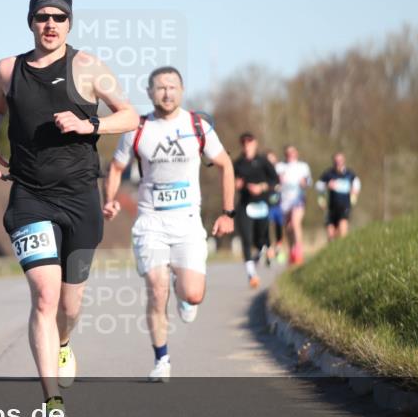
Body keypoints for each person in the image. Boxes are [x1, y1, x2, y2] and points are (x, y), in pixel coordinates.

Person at [0, 0, 138, 417]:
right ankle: (52, 403)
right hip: (30, 195)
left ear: (70, 23)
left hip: (80, 195)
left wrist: (91, 124)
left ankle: (64, 342)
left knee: (70, 302)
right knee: (45, 297)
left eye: (59, 18)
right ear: (30, 21)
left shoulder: (86, 67)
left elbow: (130, 116)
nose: (50, 24)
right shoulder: (9, 70)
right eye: (42, 16)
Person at [103, 66, 235, 382]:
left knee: (193, 295)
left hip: (188, 222)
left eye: (172, 86)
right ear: (150, 93)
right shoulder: (136, 128)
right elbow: (116, 167)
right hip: (150, 221)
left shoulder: (197, 126)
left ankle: (183, 290)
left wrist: (228, 213)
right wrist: (109, 199)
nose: (167, 92)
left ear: (182, 90)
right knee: (156, 287)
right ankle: (161, 359)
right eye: (160, 87)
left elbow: (225, 164)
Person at [233, 133, 280, 287]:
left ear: (255, 143)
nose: (247, 145)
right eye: (244, 143)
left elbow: (275, 181)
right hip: (245, 205)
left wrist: (261, 187)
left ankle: (263, 249)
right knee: (246, 239)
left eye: (249, 142)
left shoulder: (263, 161)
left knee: (260, 238)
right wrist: (236, 185)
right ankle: (251, 274)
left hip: (262, 205)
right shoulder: (238, 163)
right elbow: (231, 182)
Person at [276, 146, 312, 265]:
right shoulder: (280, 166)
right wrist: (278, 180)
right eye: (288, 152)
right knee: (288, 227)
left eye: (292, 152)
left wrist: (304, 182)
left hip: (298, 198)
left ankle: (299, 251)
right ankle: (291, 250)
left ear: (297, 153)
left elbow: (309, 181)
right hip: (285, 199)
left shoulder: (303, 166)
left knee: (295, 222)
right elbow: (274, 182)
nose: (290, 154)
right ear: (285, 154)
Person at [316, 152, 361, 241]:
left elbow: (357, 184)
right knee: (330, 234)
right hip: (331, 207)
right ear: (333, 162)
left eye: (340, 161)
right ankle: (332, 251)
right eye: (336, 161)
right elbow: (317, 185)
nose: (338, 163)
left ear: (344, 161)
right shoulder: (328, 174)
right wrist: (327, 185)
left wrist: (355, 192)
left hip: (345, 205)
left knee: (343, 229)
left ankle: (343, 250)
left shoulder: (349, 174)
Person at [265, 149, 286, 265]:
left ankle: (278, 247)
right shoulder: (263, 174)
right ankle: (268, 251)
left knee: (279, 227)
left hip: (278, 205)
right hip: (267, 205)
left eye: (272, 160)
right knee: (267, 228)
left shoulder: (279, 173)